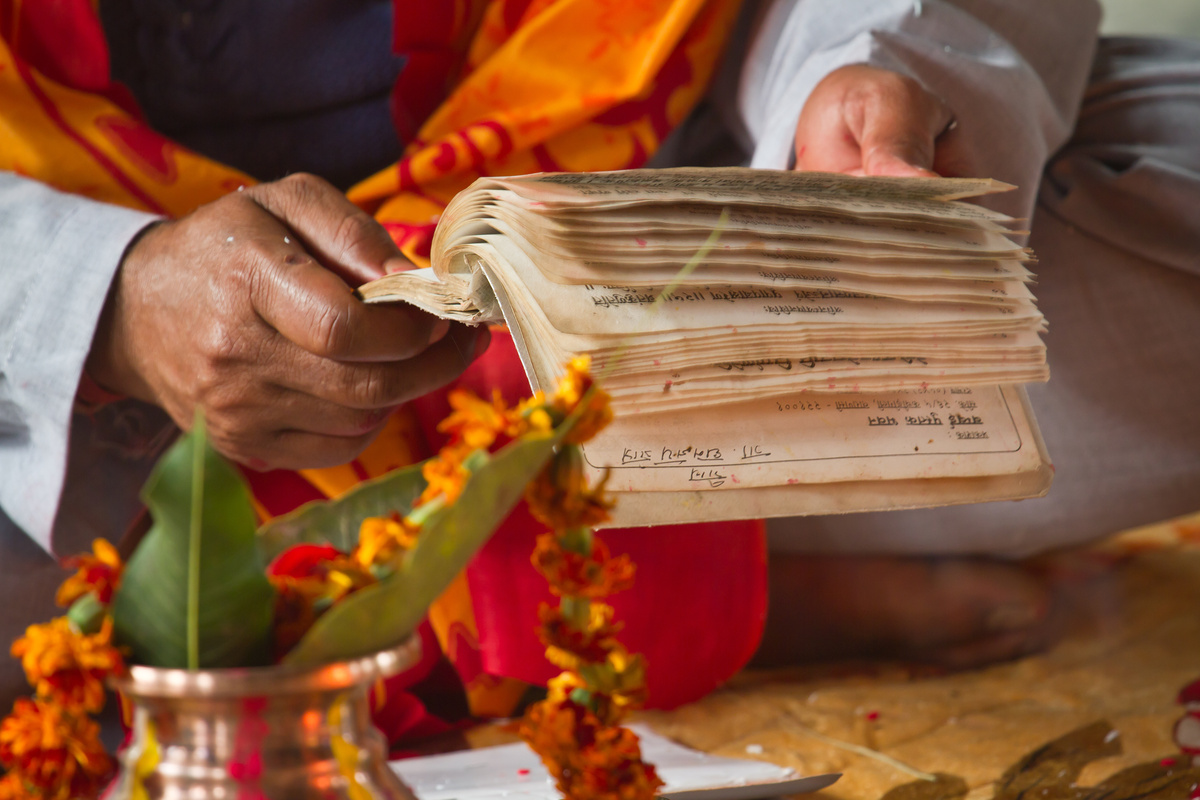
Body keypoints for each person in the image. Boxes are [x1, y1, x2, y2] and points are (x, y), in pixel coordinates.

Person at [2, 0, 1198, 721]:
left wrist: (863, 72)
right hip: (60, 372)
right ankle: (708, 569)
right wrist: (102, 298)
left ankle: (668, 532)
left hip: (631, 211)